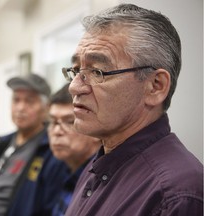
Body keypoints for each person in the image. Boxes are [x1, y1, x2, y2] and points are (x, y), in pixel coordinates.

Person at [62, 3, 203, 216]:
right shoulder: (100, 163)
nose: (74, 87)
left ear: (156, 86)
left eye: (97, 71)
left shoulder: (175, 195)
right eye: (75, 71)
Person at [0, 73, 68, 216]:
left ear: (46, 108)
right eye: (16, 100)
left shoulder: (50, 148)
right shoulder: (2, 143)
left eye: (29, 101)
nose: (20, 108)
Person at [48, 83, 101, 216]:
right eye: (53, 122)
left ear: (96, 131)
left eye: (70, 121)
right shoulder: (62, 171)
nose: (57, 131)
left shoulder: (101, 182)